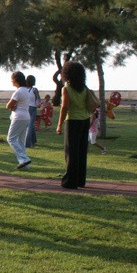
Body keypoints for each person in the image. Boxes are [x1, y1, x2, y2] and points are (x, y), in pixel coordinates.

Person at [56, 61, 92, 189]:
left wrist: (59, 125)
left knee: (71, 151)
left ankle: (70, 181)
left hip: (73, 121)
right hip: (85, 120)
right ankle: (80, 180)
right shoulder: (84, 88)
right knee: (82, 151)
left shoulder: (66, 89)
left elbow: (64, 107)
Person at [6, 71, 33, 170]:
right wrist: (13, 107)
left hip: (19, 117)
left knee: (11, 138)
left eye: (12, 79)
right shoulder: (26, 91)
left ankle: (24, 159)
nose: (11, 81)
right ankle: (24, 165)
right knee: (21, 141)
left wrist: (12, 107)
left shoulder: (18, 91)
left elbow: (8, 106)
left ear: (16, 80)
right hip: (26, 117)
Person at [25, 75, 41, 148]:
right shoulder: (34, 90)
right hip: (32, 108)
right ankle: (28, 143)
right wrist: (38, 104)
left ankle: (32, 141)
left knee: (30, 125)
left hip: (26, 108)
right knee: (30, 126)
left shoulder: (24, 89)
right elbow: (38, 98)